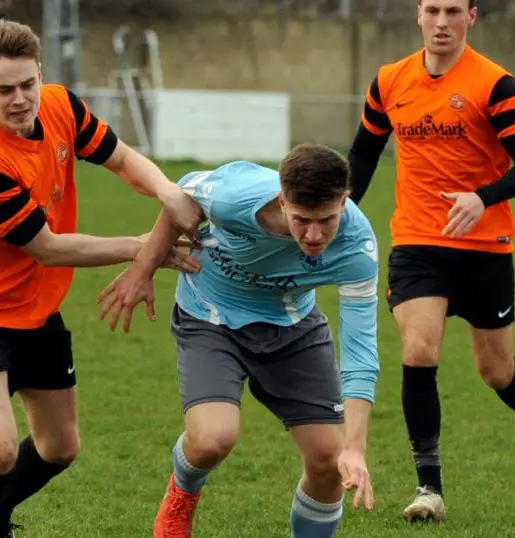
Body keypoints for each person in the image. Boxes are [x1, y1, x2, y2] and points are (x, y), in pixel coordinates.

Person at [0, 20, 202, 538]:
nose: (20, 99)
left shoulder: (61, 105)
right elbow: (47, 247)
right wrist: (146, 248)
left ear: (40, 75)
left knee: (59, 448)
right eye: (3, 90)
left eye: (27, 84)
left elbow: (120, 159)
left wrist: (168, 192)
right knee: (1, 449)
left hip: (35, 309)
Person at [99, 144, 380, 537]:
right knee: (213, 439)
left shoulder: (357, 249)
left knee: (327, 458)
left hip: (293, 327)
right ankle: (182, 493)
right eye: (302, 220)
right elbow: (183, 198)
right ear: (283, 201)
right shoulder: (237, 195)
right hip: (211, 315)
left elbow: (360, 352)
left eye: (327, 220)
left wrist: (355, 446)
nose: (315, 235)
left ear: (344, 201)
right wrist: (144, 267)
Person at [346, 0, 515, 523]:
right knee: (419, 348)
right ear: (418, 14)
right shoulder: (390, 81)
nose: (442, 22)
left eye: (453, 11)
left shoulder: (494, 84)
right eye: (433, 9)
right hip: (417, 242)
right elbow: (366, 151)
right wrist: (339, 211)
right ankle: (429, 489)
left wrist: (482, 197)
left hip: (485, 247)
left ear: (471, 17)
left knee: (495, 370)